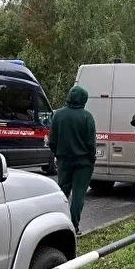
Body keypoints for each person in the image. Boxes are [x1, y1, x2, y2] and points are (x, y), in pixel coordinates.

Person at [49, 86, 96, 235]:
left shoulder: (58, 115)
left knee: (62, 193)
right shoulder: (87, 117)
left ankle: (58, 226)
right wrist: (91, 157)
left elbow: (52, 140)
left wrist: (58, 154)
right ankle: (74, 226)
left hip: (64, 161)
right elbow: (90, 143)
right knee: (79, 195)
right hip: (83, 163)